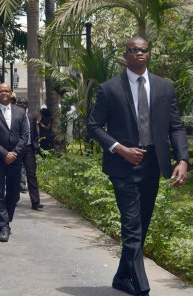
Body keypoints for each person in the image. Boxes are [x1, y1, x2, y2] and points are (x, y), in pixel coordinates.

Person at [88, 36, 188, 296]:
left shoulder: (164, 88)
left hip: (153, 164)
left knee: (142, 223)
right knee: (132, 225)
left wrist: (183, 160)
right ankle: (142, 287)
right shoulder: (109, 89)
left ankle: (122, 277)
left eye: (143, 50)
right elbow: (94, 126)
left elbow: (176, 127)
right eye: (134, 50)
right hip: (123, 166)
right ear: (126, 54)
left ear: (149, 54)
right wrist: (119, 148)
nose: (139, 54)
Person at [0, 83, 29, 242]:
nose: (4, 93)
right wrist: (4, 154)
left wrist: (14, 153)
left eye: (6, 91)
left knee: (14, 193)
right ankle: (3, 225)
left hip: (16, 159)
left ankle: (6, 218)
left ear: (11, 93)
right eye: (1, 91)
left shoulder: (20, 112)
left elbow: (25, 135)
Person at [15, 97, 43, 210]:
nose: (22, 105)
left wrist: (36, 146)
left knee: (32, 175)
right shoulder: (13, 116)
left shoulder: (31, 116)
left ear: (27, 105)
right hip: (17, 149)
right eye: (20, 103)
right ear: (17, 104)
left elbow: (35, 133)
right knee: (15, 175)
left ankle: (35, 202)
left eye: (24, 103)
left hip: (29, 149)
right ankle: (14, 199)